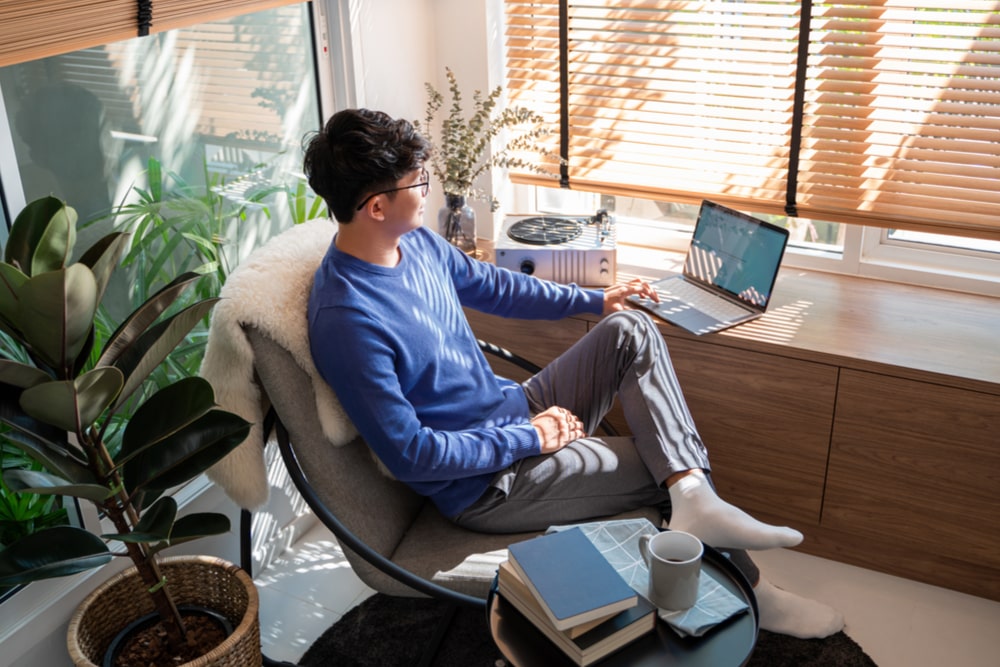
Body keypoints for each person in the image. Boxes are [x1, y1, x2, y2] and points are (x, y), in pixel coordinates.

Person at [304, 108, 844, 639]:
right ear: (376, 207)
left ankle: (696, 502)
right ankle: (755, 593)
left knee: (630, 331)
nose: (428, 189)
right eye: (418, 181)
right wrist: (530, 437)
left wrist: (594, 299)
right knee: (664, 473)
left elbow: (495, 287)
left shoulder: (414, 242)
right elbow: (414, 456)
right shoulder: (347, 320)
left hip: (516, 408)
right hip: (488, 483)